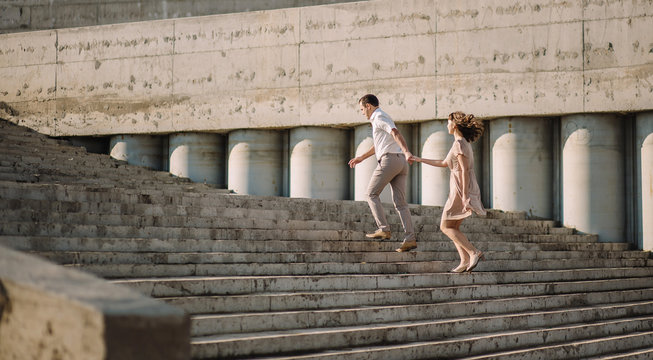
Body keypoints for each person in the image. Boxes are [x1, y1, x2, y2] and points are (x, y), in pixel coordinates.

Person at [410, 111, 486, 272]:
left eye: (448, 122)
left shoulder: (459, 144)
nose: (447, 125)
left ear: (455, 125)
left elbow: (464, 170)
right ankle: (464, 260)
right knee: (453, 227)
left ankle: (473, 252)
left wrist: (464, 196)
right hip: (459, 186)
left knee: (445, 226)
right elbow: (444, 163)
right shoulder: (460, 143)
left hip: (460, 187)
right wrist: (419, 159)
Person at [348, 94, 417, 252]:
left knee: (371, 194)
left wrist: (407, 151)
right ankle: (410, 238)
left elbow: (395, 133)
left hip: (390, 160)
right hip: (400, 162)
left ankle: (384, 228)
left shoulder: (378, 117)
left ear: (368, 106)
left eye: (362, 109)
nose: (362, 113)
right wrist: (361, 157)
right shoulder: (383, 117)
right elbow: (379, 144)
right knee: (400, 203)